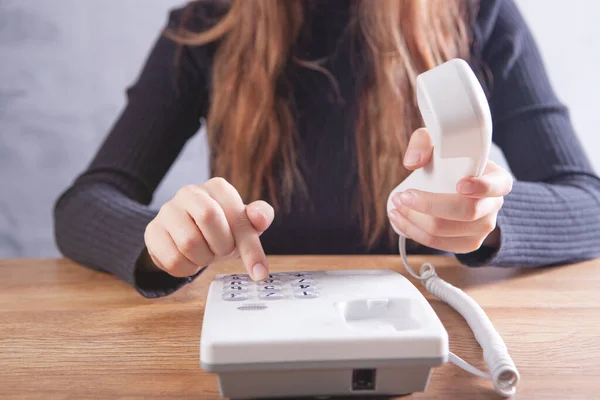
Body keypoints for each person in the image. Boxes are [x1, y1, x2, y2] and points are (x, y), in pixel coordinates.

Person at [53, 0, 600, 298]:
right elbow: (83, 204)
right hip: (260, 327)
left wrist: (491, 218)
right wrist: (157, 242)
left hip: (431, 334)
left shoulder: (479, 15)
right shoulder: (205, 26)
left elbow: (589, 204)